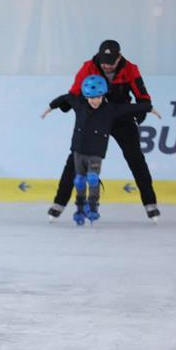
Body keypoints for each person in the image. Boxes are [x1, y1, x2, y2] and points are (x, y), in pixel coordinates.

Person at [47, 40, 161, 222]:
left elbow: (143, 96)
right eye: (103, 62)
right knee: (75, 157)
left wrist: (140, 114)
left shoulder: (131, 69)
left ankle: (150, 204)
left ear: (119, 58)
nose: (106, 66)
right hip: (94, 118)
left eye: (110, 63)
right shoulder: (88, 67)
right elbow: (74, 93)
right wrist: (78, 110)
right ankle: (59, 203)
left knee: (135, 157)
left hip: (121, 116)